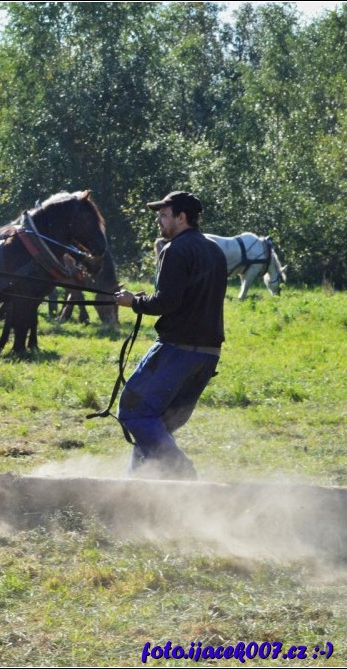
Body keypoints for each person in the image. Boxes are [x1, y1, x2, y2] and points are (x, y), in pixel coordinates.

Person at [113, 191, 227, 480]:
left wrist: (133, 302)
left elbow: (167, 302)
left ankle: (182, 475)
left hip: (178, 349)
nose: (158, 221)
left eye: (164, 215)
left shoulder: (175, 249)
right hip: (208, 354)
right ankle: (137, 484)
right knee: (156, 424)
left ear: (181, 217)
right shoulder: (214, 251)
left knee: (135, 411)